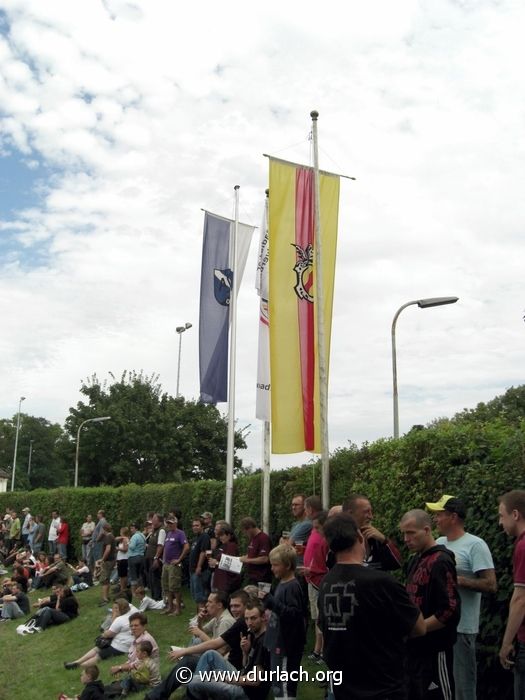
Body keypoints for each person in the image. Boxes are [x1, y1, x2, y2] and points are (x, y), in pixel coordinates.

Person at [318, 513, 424, 699]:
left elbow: (325, 627)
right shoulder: (382, 582)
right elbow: (419, 627)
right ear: (359, 537)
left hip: (344, 689)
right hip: (384, 688)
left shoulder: (326, 583)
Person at [427, 494, 497, 700]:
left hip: (462, 629)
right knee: (438, 687)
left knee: (463, 688)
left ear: (454, 517)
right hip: (437, 626)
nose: (436, 519)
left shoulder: (475, 545)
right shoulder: (438, 543)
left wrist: (456, 580)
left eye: (440, 515)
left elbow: (491, 584)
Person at [400, 508, 461, 700]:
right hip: (413, 652)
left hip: (435, 650)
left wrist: (420, 628)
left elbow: (449, 610)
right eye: (403, 533)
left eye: (411, 533)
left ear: (427, 530)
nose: (406, 538)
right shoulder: (415, 560)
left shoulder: (441, 561)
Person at [146, 590, 251, 700]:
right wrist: (200, 620)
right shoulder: (220, 619)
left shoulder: (228, 621)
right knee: (191, 656)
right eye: (232, 606)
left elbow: (219, 649)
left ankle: (174, 694)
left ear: (219, 605)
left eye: (210, 602)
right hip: (229, 666)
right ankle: (169, 693)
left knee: (192, 659)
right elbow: (199, 633)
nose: (206, 604)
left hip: (227, 666)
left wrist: (186, 650)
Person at [185, 599, 271, 700]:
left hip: (245, 693)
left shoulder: (263, 641)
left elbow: (254, 680)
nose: (249, 623)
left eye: (253, 618)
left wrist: (224, 678)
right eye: (247, 619)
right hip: (243, 679)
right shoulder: (256, 636)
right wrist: (245, 653)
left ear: (263, 617)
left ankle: (195, 693)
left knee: (194, 681)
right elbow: (246, 667)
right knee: (210, 655)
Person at [259, 544, 307, 699]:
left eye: (275, 565)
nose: (272, 568)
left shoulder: (292, 586)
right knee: (278, 684)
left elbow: (294, 614)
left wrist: (271, 602)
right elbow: (280, 609)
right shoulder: (282, 583)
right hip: (277, 642)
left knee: (284, 685)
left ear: (287, 566)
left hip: (286, 645)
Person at [498, 489, 525, 696]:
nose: (500, 523)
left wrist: (507, 642)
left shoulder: (523, 546)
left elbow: (521, 600)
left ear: (515, 515)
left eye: (501, 516)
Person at [65, 598, 137, 669]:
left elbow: (108, 634)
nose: (114, 610)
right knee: (98, 648)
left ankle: (79, 667)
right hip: (125, 643)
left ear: (122, 608)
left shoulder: (120, 619)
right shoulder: (131, 615)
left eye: (116, 608)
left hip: (121, 647)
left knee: (99, 655)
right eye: (113, 608)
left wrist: (114, 616)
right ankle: (76, 662)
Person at [343, 493, 402, 571]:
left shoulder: (375, 539)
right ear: (350, 514)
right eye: (366, 512)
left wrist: (384, 540)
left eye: (371, 512)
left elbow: (397, 564)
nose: (371, 517)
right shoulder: (339, 541)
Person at [303, 509, 329, 662]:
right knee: (317, 617)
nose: (316, 531)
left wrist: (310, 569)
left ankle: (323, 651)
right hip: (312, 580)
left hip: (319, 582)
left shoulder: (326, 540)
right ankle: (318, 649)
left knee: (321, 617)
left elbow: (325, 564)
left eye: (317, 528)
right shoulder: (318, 535)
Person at [161, 515, 189, 615]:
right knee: (167, 586)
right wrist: (164, 559)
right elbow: (165, 547)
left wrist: (179, 559)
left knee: (175, 587)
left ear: (175, 523)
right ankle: (170, 607)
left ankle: (178, 609)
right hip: (166, 564)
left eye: (171, 523)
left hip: (174, 565)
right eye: (168, 523)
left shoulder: (180, 533)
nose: (169, 525)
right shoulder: (168, 533)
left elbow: (186, 547)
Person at [210, 524, 242, 595]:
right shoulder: (224, 546)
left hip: (227, 582)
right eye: (219, 536)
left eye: (222, 535)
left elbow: (233, 564)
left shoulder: (231, 546)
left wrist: (216, 563)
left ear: (229, 535)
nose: (220, 538)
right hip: (221, 581)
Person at [239, 517, 272, 585]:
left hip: (262, 578)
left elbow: (264, 559)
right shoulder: (253, 538)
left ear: (250, 527)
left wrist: (247, 560)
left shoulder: (263, 538)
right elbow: (253, 554)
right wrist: (244, 557)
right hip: (252, 577)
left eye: (246, 531)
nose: (245, 534)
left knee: (262, 595)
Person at [189, 517, 212, 610]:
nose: (195, 527)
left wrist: (199, 566)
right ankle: (198, 614)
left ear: (202, 526)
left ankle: (201, 615)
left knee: (200, 595)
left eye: (197, 525)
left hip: (200, 570)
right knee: (195, 594)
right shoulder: (196, 538)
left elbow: (203, 552)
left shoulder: (205, 537)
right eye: (193, 525)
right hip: (192, 569)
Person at [144, 513, 166, 601]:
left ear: (159, 521)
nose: (152, 521)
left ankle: (158, 598)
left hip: (155, 558)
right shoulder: (155, 531)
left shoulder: (161, 531)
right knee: (151, 578)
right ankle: (154, 597)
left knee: (156, 578)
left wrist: (156, 558)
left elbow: (160, 545)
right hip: (150, 557)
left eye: (154, 520)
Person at [98, 522, 117, 605]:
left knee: (104, 580)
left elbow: (108, 549)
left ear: (104, 529)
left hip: (108, 561)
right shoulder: (111, 536)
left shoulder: (108, 537)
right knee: (107, 579)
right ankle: (107, 596)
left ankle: (105, 599)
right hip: (111, 560)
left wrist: (103, 559)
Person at [127, 522, 147, 596]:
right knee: (140, 575)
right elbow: (145, 547)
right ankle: (141, 591)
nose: (131, 529)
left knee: (133, 576)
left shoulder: (134, 536)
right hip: (141, 556)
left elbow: (132, 547)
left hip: (133, 557)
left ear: (136, 528)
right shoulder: (143, 536)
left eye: (132, 528)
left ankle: (133, 593)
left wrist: (128, 543)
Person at [116, 526, 130, 592]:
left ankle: (123, 588)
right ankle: (122, 588)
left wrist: (117, 549)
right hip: (120, 559)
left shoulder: (125, 539)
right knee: (121, 575)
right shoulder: (122, 539)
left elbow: (125, 549)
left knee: (123, 575)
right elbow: (115, 539)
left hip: (124, 559)